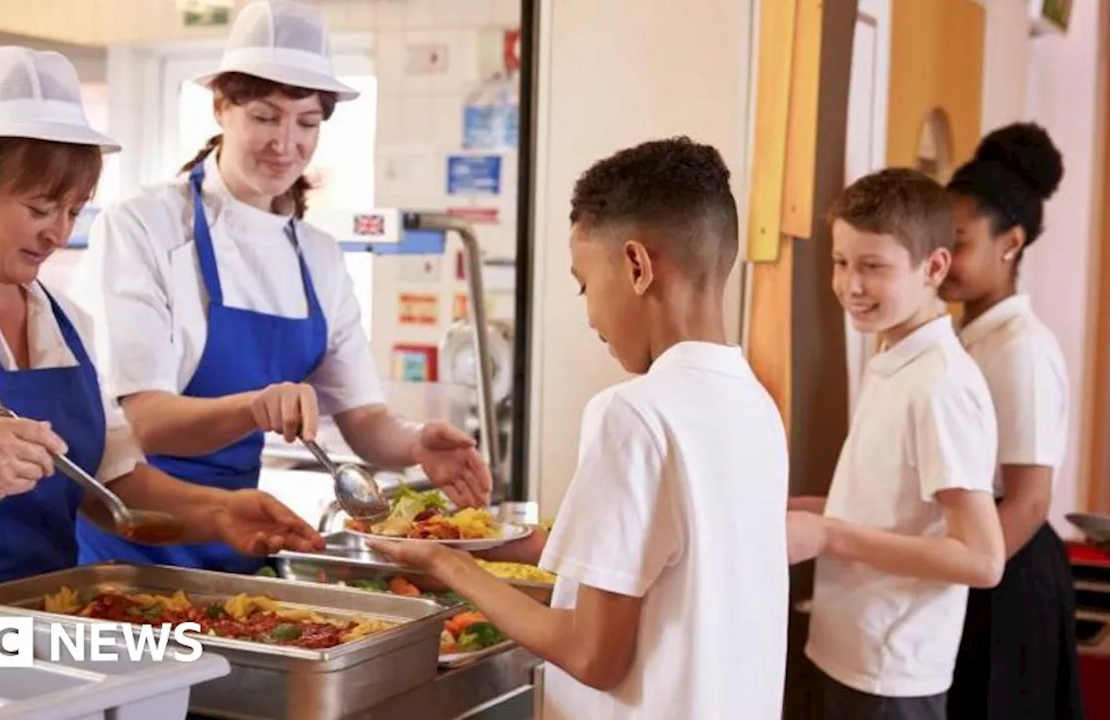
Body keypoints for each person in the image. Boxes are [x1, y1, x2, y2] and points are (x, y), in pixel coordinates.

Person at [0, 46, 323, 653]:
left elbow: (110, 483)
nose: (59, 233)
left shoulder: (62, 319)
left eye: (73, 210)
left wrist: (217, 512)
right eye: (39, 208)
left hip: (27, 631)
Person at [369, 137, 791, 719]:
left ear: (637, 266)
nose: (589, 313)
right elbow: (671, 564)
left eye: (584, 284)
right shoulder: (754, 403)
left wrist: (449, 566)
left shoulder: (633, 413)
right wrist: (498, 545)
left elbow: (594, 656)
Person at [68, 0, 490, 574]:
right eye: (265, 117)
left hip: (242, 540)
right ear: (221, 106)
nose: (285, 143)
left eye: (306, 122)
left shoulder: (317, 256)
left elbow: (365, 421)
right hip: (138, 541)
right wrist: (256, 407)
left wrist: (417, 444)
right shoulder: (144, 226)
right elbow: (147, 423)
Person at [787, 168, 1006, 720]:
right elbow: (897, 511)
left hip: (891, 675)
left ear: (934, 267)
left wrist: (828, 533)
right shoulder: (893, 359)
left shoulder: (941, 385)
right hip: (848, 648)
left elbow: (981, 559)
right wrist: (807, 513)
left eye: (873, 267)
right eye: (841, 262)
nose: (850, 286)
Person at [938, 123, 1086, 720]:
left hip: (1008, 573)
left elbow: (1027, 501)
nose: (942, 259)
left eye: (960, 242)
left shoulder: (1020, 349)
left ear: (1011, 243)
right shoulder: (966, 337)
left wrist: (954, 576)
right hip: (979, 560)